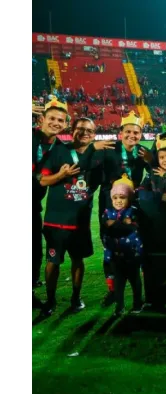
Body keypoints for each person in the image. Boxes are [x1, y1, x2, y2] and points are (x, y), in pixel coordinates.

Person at [39, 118, 115, 315]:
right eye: (80, 129)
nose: (84, 133)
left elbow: (100, 182)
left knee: (78, 259)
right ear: (71, 130)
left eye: (89, 130)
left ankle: (76, 297)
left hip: (80, 220)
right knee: (53, 261)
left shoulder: (99, 156)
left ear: (95, 133)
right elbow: (43, 180)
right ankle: (51, 300)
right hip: (56, 219)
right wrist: (60, 176)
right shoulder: (59, 150)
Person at [33, 96, 68, 289]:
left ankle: (31, 287)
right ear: (42, 119)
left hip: (33, 205)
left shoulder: (60, 148)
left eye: (60, 120)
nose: (55, 123)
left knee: (35, 249)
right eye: (52, 118)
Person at [102, 174, 144, 316]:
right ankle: (119, 306)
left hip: (132, 253)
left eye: (122, 197)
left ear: (129, 197)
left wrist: (116, 224)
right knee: (119, 282)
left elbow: (131, 228)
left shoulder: (134, 211)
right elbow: (106, 227)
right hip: (115, 254)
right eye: (115, 198)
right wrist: (122, 224)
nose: (118, 201)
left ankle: (138, 303)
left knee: (134, 280)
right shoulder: (107, 212)